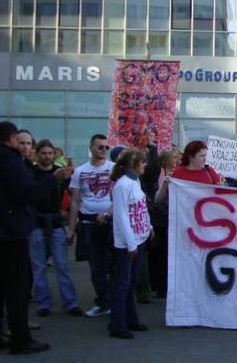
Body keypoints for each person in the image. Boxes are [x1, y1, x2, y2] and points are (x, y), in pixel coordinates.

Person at [0, 121, 72, 354]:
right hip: (10, 233)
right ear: (12, 138)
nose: (24, 147)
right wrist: (52, 179)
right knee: (17, 287)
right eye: (20, 141)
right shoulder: (10, 160)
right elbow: (27, 192)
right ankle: (20, 339)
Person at [29, 139, 82, 317]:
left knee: (62, 265)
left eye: (50, 153)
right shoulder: (31, 174)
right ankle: (44, 303)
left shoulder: (60, 174)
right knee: (39, 267)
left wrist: (68, 218)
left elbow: (73, 196)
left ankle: (70, 302)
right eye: (43, 153)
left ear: (54, 155)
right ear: (37, 154)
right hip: (37, 224)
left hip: (56, 223)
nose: (47, 156)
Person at [68, 134, 116, 318]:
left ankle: (113, 300)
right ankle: (103, 301)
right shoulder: (80, 171)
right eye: (100, 147)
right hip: (88, 223)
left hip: (110, 222)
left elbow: (121, 195)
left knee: (112, 264)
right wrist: (71, 229)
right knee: (96, 265)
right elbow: (74, 201)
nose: (103, 150)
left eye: (106, 147)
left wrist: (107, 213)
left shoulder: (113, 168)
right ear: (91, 148)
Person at [108, 150, 152, 339]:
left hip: (139, 238)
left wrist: (148, 225)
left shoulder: (135, 182)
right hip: (128, 243)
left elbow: (141, 207)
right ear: (132, 164)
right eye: (142, 162)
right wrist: (130, 243)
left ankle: (131, 319)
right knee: (123, 283)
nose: (145, 165)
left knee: (131, 282)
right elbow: (121, 216)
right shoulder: (122, 185)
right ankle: (117, 324)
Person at [147, 149, 179, 299]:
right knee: (157, 254)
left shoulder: (180, 173)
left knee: (169, 254)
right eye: (175, 158)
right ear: (166, 160)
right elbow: (155, 197)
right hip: (159, 219)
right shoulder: (156, 174)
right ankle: (158, 286)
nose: (177, 161)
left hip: (174, 218)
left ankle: (167, 285)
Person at [156, 141, 223, 204]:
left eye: (205, 156)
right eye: (201, 156)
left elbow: (221, 198)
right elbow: (158, 200)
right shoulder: (177, 173)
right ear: (191, 157)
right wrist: (164, 186)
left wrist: (222, 188)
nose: (205, 159)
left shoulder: (210, 172)